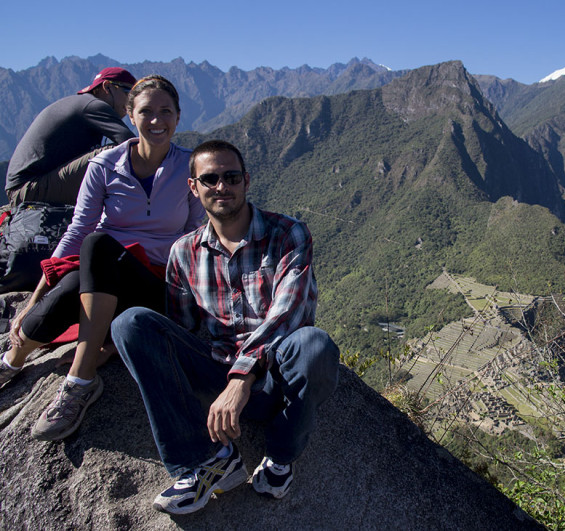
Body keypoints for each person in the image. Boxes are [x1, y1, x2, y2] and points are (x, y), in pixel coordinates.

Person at [110, 140, 339, 514]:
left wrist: (241, 379)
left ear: (246, 181)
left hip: (275, 377)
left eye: (231, 177)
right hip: (216, 372)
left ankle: (280, 456)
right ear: (193, 187)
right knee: (130, 325)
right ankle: (207, 460)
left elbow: (289, 313)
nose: (221, 186)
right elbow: (179, 331)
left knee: (314, 345)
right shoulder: (183, 252)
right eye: (210, 178)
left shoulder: (287, 234)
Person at [0, 75, 205, 442]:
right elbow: (76, 231)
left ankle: (79, 381)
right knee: (74, 279)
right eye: (146, 111)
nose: (157, 120)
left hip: (156, 284)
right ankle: (11, 361)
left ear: (177, 117)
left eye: (165, 112)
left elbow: (194, 236)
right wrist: (34, 300)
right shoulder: (105, 166)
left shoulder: (190, 168)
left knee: (97, 245)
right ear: (130, 115)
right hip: (101, 277)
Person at [5, 67, 138, 206]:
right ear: (107, 87)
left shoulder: (82, 103)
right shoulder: (93, 105)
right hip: (28, 188)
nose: (132, 103)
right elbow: (132, 145)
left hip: (26, 187)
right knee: (114, 153)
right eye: (128, 93)